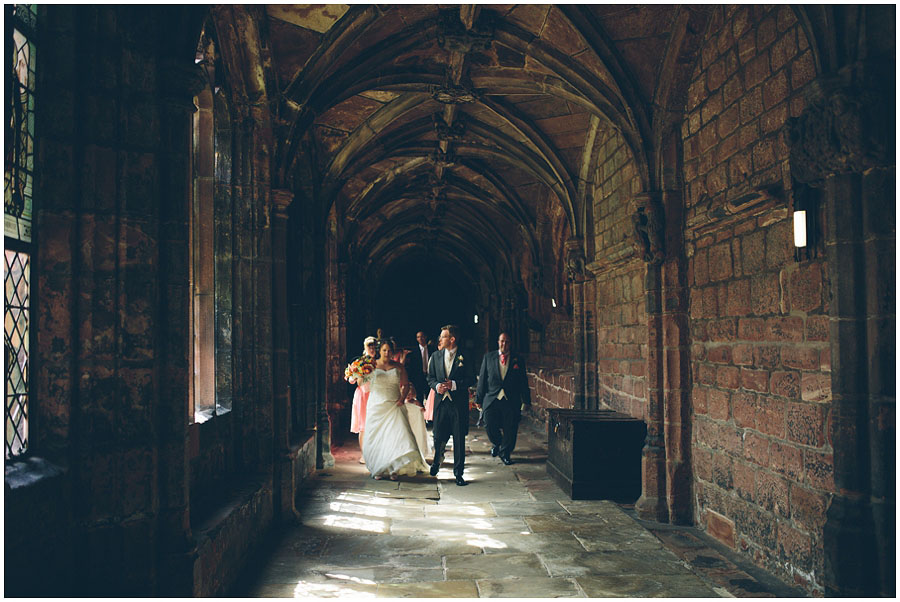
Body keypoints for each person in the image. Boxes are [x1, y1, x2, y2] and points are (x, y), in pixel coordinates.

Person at [362, 340, 428, 480]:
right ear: (380, 351)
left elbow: (405, 385)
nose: (387, 353)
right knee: (379, 437)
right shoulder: (371, 365)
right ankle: (378, 468)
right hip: (377, 405)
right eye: (384, 350)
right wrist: (357, 372)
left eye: (389, 351)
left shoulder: (399, 367)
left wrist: (401, 399)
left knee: (396, 436)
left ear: (393, 352)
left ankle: (394, 469)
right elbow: (361, 382)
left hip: (394, 404)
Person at [427, 325, 474, 486]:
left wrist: (454, 384)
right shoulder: (436, 356)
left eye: (443, 336)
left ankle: (458, 474)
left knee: (459, 439)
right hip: (441, 403)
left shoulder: (465, 356)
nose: (440, 339)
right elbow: (430, 378)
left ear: (452, 339)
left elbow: (471, 379)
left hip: (458, 404)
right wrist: (436, 386)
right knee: (438, 435)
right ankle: (436, 462)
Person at [475, 332, 531, 465]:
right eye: (501, 341)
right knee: (489, 424)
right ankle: (498, 444)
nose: (504, 344)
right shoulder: (489, 357)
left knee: (510, 427)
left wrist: (526, 400)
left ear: (510, 344)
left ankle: (505, 453)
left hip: (511, 399)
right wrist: (478, 399)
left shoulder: (518, 359)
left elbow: (523, 381)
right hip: (492, 398)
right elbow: (482, 379)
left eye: (506, 342)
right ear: (498, 342)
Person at [349, 336, 378, 463]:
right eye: (369, 346)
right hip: (363, 395)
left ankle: (376, 452)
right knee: (363, 426)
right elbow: (352, 380)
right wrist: (355, 373)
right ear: (365, 348)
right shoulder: (359, 362)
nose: (372, 349)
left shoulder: (379, 361)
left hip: (376, 393)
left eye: (373, 346)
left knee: (376, 424)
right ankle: (364, 454)